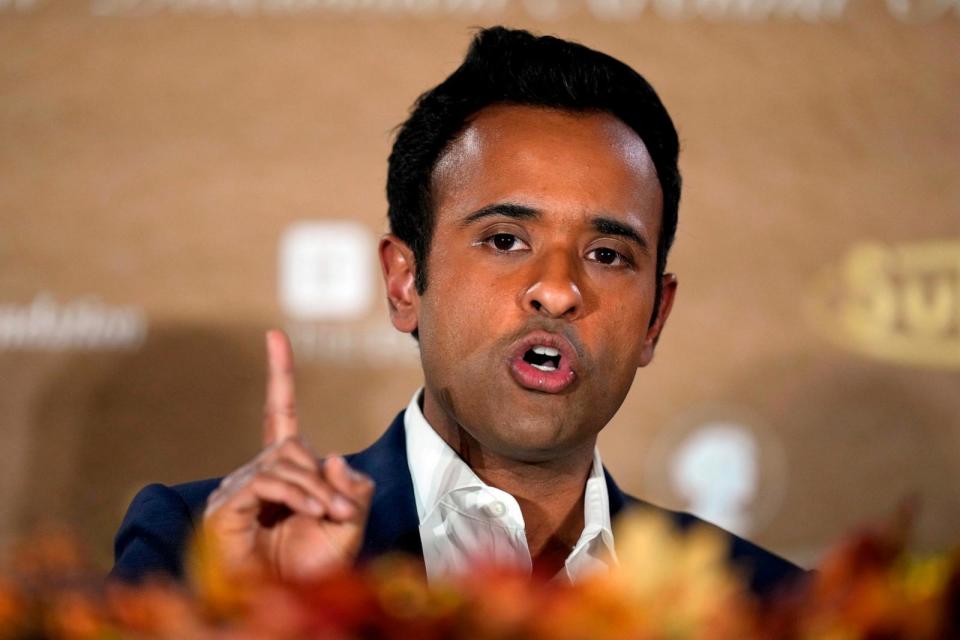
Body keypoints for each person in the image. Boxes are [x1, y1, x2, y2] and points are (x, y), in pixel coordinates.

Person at [112, 26, 804, 596]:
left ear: (656, 317)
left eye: (607, 255)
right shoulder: (201, 552)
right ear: (405, 282)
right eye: (505, 240)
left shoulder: (759, 603)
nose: (559, 290)